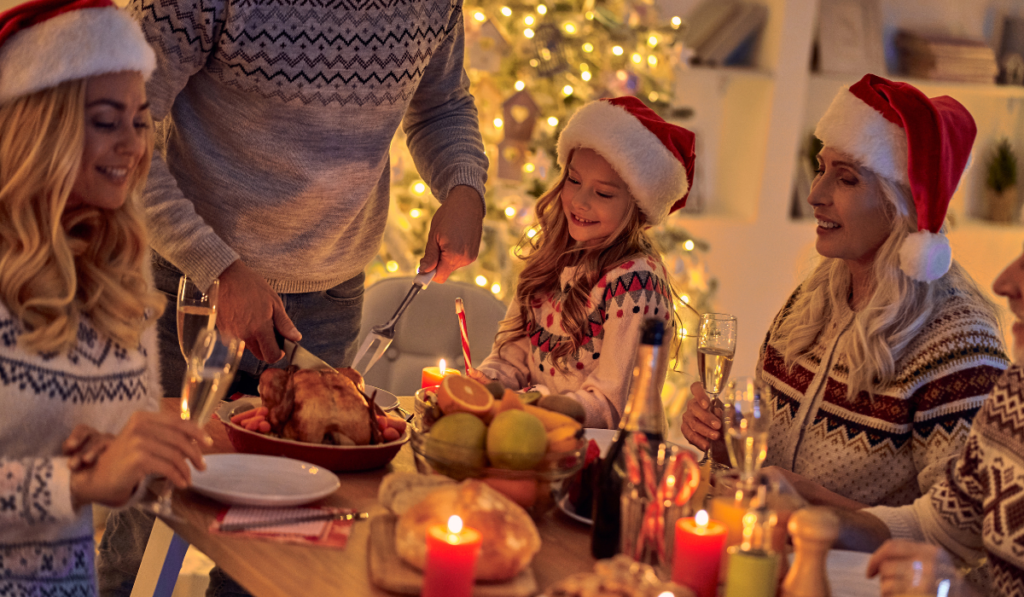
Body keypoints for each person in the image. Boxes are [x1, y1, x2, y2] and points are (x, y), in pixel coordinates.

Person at [126, 0, 490, 396]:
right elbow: (110, 127)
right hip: (186, 291)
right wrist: (215, 267)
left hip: (331, 304)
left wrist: (464, 186)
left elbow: (442, 106)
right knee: (172, 452)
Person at [681, 74, 1008, 509]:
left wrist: (813, 502)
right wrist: (727, 444)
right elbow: (766, 463)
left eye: (847, 179)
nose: (816, 194)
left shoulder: (960, 345)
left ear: (902, 204)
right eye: (820, 168)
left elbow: (956, 530)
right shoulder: (813, 298)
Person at [0, 0, 209, 594]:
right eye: (105, 120)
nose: (133, 144)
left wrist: (140, 462)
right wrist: (75, 481)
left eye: (141, 121)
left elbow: (116, 465)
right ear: (44, 127)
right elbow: (78, 482)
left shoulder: (116, 263)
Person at [471, 97, 695, 428]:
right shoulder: (552, 258)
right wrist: (488, 384)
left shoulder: (637, 284)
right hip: (530, 441)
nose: (579, 200)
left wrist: (530, 406)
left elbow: (611, 407)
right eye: (573, 180)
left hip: (603, 462)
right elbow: (511, 359)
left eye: (603, 193)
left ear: (637, 207)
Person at [833, 248, 1024, 597]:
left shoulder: (961, 337)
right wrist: (822, 520)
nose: (1003, 283)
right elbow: (939, 526)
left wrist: (953, 592)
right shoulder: (1016, 395)